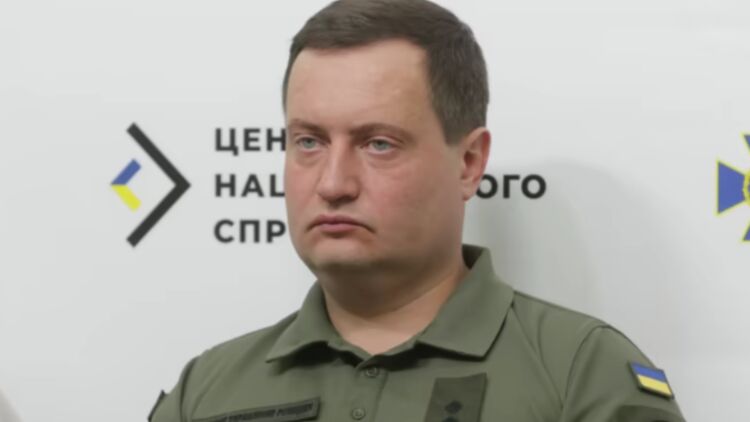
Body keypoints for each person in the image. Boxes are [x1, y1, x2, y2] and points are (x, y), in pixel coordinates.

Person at [150, 0, 686, 420]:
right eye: (309, 142)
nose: (333, 184)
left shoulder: (581, 375)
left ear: (469, 163)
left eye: (378, 144)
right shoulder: (206, 393)